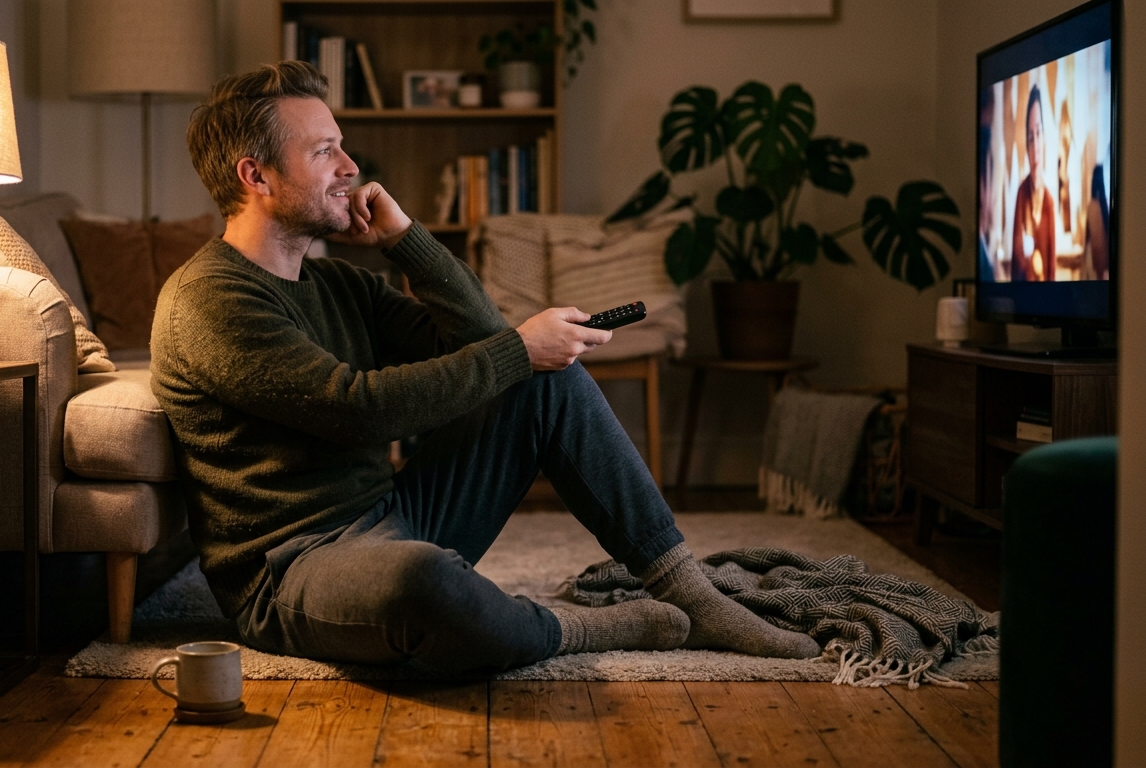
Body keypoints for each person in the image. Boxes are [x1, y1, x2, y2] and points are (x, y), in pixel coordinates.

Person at [151, 61, 820, 675]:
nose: (350, 166)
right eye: (324, 150)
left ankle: (691, 596)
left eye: (342, 146)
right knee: (424, 584)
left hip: (395, 514)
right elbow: (355, 408)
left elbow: (480, 338)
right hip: (293, 571)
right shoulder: (209, 298)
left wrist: (408, 242)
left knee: (546, 379)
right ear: (255, 175)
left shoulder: (338, 284)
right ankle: (581, 628)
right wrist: (518, 349)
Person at [1012, 84, 1057, 282]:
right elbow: (1015, 264)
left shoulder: (1049, 201)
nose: (1035, 145)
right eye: (1030, 137)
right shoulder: (1021, 194)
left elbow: (1052, 270)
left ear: (1045, 138)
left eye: (1038, 133)